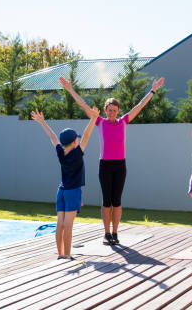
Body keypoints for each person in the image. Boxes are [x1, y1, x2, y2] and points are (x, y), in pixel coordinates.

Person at [60, 75, 165, 245]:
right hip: (105, 166)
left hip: (120, 165)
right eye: (109, 110)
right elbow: (84, 105)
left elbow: (139, 106)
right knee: (106, 201)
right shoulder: (100, 122)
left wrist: (153, 90)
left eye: (115, 110)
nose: (112, 113)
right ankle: (106, 233)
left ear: (118, 111)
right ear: (105, 110)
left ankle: (115, 233)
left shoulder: (123, 121)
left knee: (117, 201)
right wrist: (71, 89)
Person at [30, 106, 99, 259]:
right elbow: (87, 136)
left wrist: (42, 122)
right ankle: (67, 255)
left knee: (60, 224)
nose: (80, 140)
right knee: (68, 225)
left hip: (61, 191)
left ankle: (61, 254)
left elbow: (53, 137)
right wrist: (93, 118)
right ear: (75, 141)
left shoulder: (61, 153)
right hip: (73, 192)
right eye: (78, 139)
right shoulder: (77, 153)